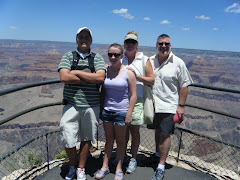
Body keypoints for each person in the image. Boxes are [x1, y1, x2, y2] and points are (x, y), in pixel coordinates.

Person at [58, 27, 106, 180]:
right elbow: (64, 77)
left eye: (87, 37)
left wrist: (77, 72)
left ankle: (80, 168)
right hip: (71, 104)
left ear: (91, 40)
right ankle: (72, 165)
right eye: (81, 37)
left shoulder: (97, 58)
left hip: (91, 105)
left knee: (87, 138)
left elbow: (100, 78)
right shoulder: (68, 56)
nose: (84, 40)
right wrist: (89, 77)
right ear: (76, 39)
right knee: (67, 134)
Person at [150, 34, 193, 180]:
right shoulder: (150, 61)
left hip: (169, 106)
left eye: (166, 44)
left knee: (165, 134)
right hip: (153, 104)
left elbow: (184, 85)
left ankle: (161, 165)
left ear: (170, 45)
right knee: (157, 130)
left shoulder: (178, 63)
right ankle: (156, 155)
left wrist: (181, 106)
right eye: (161, 43)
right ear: (156, 45)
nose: (163, 46)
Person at [95, 43, 137, 180]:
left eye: (116, 54)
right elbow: (103, 92)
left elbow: (133, 95)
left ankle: (119, 168)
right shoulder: (105, 71)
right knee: (108, 141)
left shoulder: (128, 72)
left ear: (121, 56)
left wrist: (129, 113)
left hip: (121, 112)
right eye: (110, 54)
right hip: (107, 111)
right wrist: (101, 109)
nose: (113, 57)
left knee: (120, 141)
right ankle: (104, 167)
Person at [121, 31, 155, 174]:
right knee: (122, 131)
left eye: (133, 42)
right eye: (128, 42)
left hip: (137, 100)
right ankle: (122, 157)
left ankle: (133, 159)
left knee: (134, 131)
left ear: (137, 45)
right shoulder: (119, 58)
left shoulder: (143, 59)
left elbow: (152, 80)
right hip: (121, 100)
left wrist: (137, 76)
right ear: (124, 44)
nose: (130, 45)